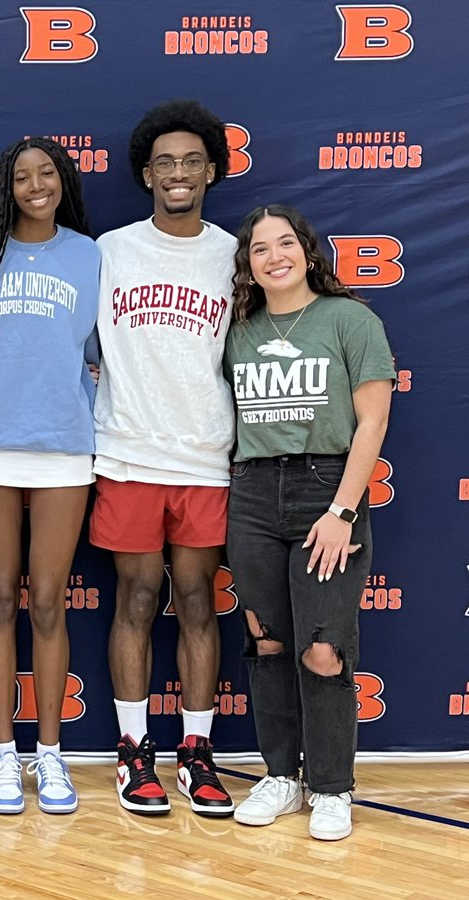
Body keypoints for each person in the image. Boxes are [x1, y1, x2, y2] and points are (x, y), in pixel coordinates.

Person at [225, 205, 392, 841]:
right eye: (260, 249)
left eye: (285, 243)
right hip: (254, 491)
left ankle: (331, 786)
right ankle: (280, 776)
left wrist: (343, 510)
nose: (274, 256)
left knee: (323, 649)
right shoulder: (240, 330)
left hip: (327, 488)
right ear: (248, 265)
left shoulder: (349, 319)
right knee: (268, 641)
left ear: (307, 250)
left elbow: (371, 423)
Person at [91, 100, 237, 817]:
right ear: (145, 174)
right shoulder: (109, 250)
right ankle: (131, 752)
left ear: (211, 169)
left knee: (198, 603)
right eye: (164, 163)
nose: (177, 174)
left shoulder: (235, 254)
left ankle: (197, 753)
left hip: (206, 456)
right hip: (128, 453)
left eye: (190, 161)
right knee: (138, 599)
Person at [0, 138, 99, 815]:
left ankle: (50, 754)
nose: (36, 185)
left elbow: (100, 351)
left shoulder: (87, 254)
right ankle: (2, 756)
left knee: (47, 600)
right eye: (22, 176)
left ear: (63, 181)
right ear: (5, 188)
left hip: (64, 448)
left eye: (47, 173)